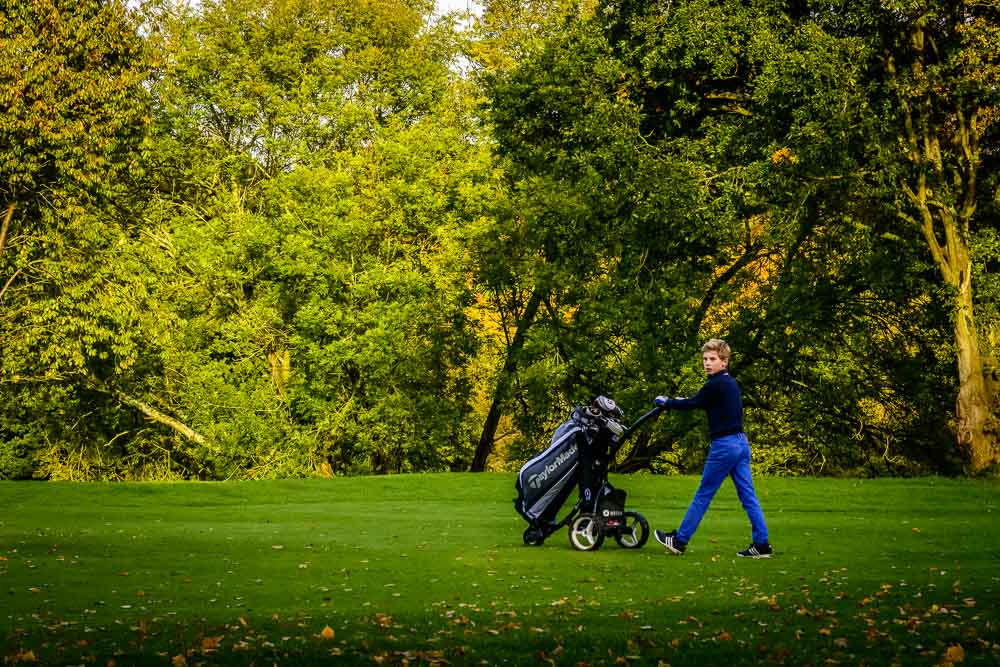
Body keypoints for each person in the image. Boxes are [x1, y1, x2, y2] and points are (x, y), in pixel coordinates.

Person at [652, 338, 773, 559]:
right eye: (705, 359)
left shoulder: (715, 384)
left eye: (712, 359)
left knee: (703, 495)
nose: (707, 363)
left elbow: (691, 403)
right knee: (748, 496)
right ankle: (762, 544)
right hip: (741, 444)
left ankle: (679, 541)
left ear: (724, 361)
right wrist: (679, 400)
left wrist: (666, 402)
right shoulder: (729, 383)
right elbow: (698, 400)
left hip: (724, 446)